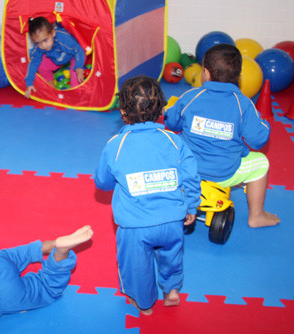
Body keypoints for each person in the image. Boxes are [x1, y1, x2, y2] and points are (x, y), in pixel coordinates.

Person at [94, 76, 201, 315]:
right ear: (162, 110)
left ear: (122, 111)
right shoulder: (174, 141)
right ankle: (172, 290)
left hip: (135, 226)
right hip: (173, 220)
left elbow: (102, 182)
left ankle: (144, 305)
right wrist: (192, 207)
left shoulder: (116, 145)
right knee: (172, 256)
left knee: (136, 267)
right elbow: (192, 177)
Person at [164, 44, 280, 228]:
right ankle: (257, 216)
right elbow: (258, 140)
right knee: (261, 164)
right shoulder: (243, 104)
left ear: (206, 73)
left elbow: (171, 123)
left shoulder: (191, 96)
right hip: (224, 172)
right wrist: (264, 125)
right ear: (238, 75)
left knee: (171, 144)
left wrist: (171, 110)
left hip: (187, 168)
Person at [24, 16, 86, 98]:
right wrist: (29, 83)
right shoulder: (39, 47)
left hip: (72, 55)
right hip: (57, 58)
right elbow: (33, 64)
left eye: (45, 40)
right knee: (41, 65)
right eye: (38, 42)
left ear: (53, 33)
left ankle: (76, 91)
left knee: (76, 70)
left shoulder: (63, 39)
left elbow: (79, 51)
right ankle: (51, 89)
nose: (43, 45)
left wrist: (78, 67)